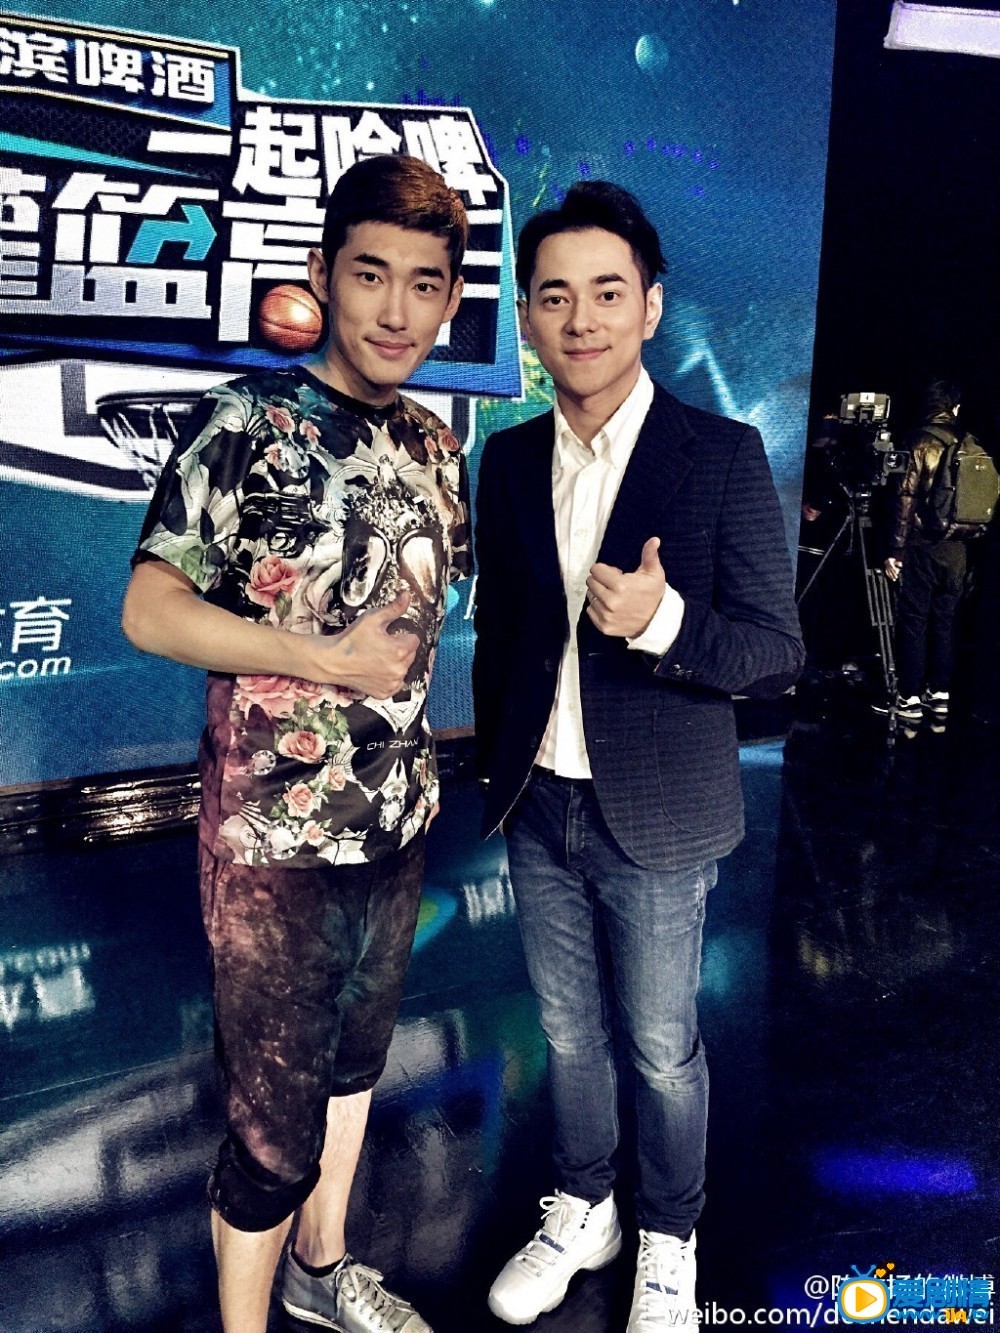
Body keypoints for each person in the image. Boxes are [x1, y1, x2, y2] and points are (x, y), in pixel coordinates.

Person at [121, 154, 471, 1333]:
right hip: (273, 843)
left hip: (396, 825)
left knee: (354, 1074)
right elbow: (149, 609)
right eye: (370, 274)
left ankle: (321, 1274)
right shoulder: (249, 422)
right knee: (271, 1135)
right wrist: (314, 656)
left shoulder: (435, 447)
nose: (395, 309)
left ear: (449, 297)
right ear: (322, 274)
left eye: (423, 283)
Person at [472, 181, 803, 1331]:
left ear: (650, 307)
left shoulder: (720, 454)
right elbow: (504, 632)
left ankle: (669, 1231)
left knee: (662, 1048)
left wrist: (662, 622)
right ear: (526, 315)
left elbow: (775, 654)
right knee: (567, 1035)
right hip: (538, 804)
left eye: (607, 292)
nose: (582, 319)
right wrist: (498, 768)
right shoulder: (509, 459)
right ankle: (584, 1207)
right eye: (554, 295)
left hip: (657, 810)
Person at [883, 379, 981, 726]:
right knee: (945, 620)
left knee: (914, 619)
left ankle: (908, 696)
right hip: (959, 546)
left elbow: (905, 498)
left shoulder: (919, 441)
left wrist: (895, 549)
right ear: (954, 407)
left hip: (923, 544)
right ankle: (940, 692)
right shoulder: (970, 441)